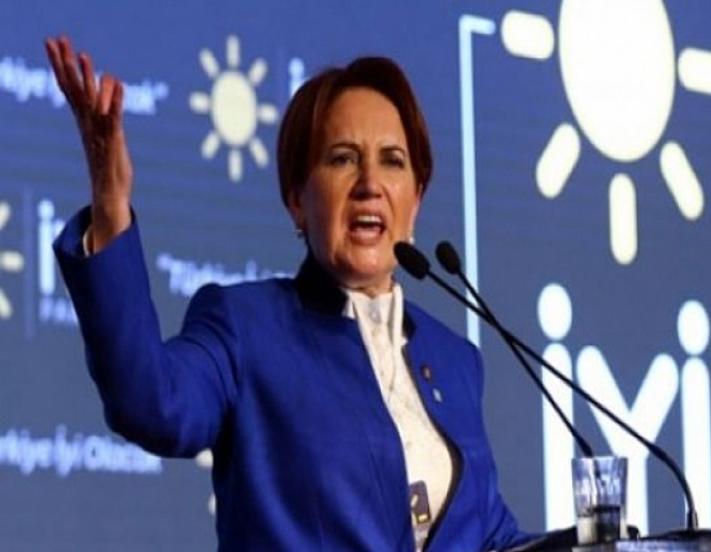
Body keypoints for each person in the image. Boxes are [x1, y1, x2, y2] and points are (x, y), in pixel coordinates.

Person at [44, 35, 538, 551]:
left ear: (415, 199)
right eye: (343, 159)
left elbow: (490, 536)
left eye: (393, 161)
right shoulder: (245, 326)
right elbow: (151, 404)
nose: (370, 183)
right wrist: (110, 207)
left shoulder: (456, 361)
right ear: (297, 199)